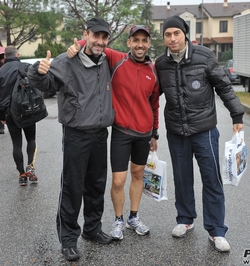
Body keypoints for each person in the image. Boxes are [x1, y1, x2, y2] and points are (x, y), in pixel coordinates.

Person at [27, 18, 115, 261]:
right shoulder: (66, 61)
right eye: (95, 35)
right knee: (72, 187)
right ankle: (68, 240)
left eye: (104, 37)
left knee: (96, 184)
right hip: (76, 134)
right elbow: (44, 83)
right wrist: (37, 69)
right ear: (85, 34)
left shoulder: (108, 61)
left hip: (100, 134)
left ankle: (92, 229)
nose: (99, 41)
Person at [154, 15, 244, 252]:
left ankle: (216, 230)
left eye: (176, 33)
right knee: (182, 178)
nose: (172, 38)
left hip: (204, 131)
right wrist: (150, 131)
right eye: (167, 34)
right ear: (164, 38)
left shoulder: (204, 56)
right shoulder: (161, 64)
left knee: (211, 179)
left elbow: (224, 86)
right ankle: (185, 219)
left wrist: (237, 115)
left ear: (185, 34)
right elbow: (151, 97)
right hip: (176, 132)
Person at [67, 24, 160, 241]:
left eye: (144, 41)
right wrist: (76, 47)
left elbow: (154, 104)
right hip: (121, 131)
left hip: (144, 133)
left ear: (148, 44)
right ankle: (118, 219)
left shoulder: (153, 71)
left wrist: (154, 133)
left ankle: (133, 217)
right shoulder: (116, 59)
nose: (140, 44)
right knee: (118, 181)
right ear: (128, 43)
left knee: (138, 175)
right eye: (135, 40)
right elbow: (93, 44)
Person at [0, 46, 38, 186]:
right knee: (31, 139)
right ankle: (30, 166)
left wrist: (1, 116)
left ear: (5, 57)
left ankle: (22, 175)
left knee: (16, 144)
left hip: (9, 113)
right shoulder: (25, 67)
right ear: (17, 54)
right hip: (26, 109)